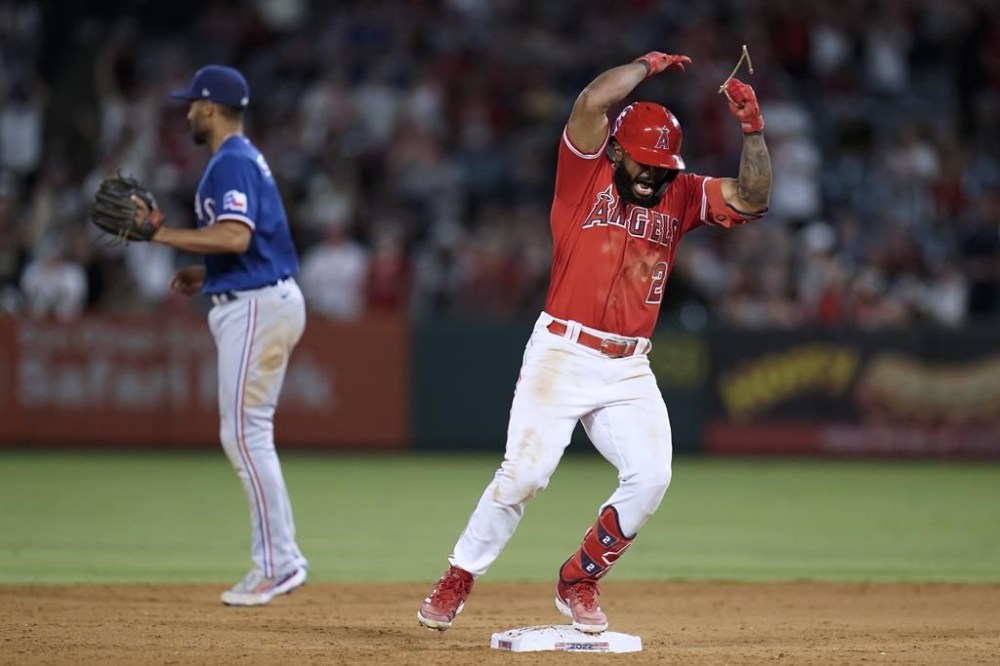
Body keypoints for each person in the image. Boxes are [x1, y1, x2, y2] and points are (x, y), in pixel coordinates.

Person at [417, 51, 771, 633]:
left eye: (664, 163)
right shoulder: (585, 176)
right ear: (616, 150)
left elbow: (753, 198)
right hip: (562, 351)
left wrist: (753, 130)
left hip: (629, 367)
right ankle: (459, 575)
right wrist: (645, 65)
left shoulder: (680, 193)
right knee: (524, 475)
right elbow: (591, 103)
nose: (655, 172)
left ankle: (579, 579)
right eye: (646, 161)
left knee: (653, 476)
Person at [140, 65, 308, 605]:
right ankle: (278, 561)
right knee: (246, 432)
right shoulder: (243, 157)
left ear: (210, 108)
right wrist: (208, 277)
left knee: (244, 433)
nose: (188, 110)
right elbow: (248, 243)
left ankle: (279, 564)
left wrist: (161, 234)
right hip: (258, 296)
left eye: (193, 103)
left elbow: (236, 235)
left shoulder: (230, 161)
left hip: (257, 305)